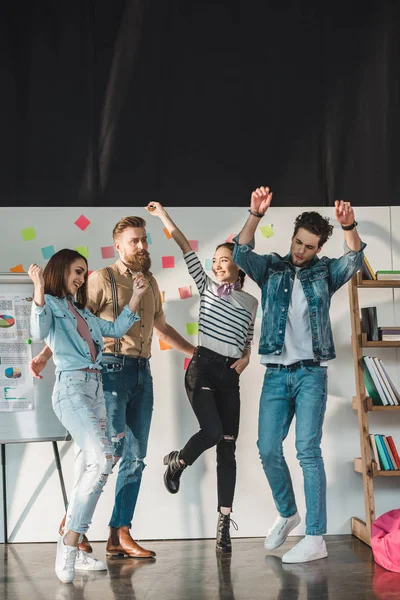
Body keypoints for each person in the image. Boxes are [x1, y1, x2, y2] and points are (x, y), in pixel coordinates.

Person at [30, 216, 195, 560]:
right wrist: (46, 354)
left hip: (141, 372)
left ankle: (120, 533)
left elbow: (161, 327)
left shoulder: (149, 282)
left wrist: (193, 352)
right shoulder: (100, 278)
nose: (142, 246)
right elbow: (76, 321)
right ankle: (72, 523)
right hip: (109, 370)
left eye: (145, 240)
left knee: (136, 458)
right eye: (134, 241)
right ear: (118, 245)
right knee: (106, 454)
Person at [232, 187, 365, 564]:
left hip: (310, 375)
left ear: (319, 248)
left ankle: (316, 537)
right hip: (276, 374)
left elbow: (354, 258)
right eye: (297, 242)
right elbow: (241, 252)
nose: (300, 251)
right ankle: (288, 512)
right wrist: (255, 214)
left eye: (308, 246)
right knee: (267, 448)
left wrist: (348, 225)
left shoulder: (326, 272)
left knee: (307, 452)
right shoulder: (272, 267)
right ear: (291, 237)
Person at [28, 249, 147, 583]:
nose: (81, 278)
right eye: (77, 271)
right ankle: (70, 541)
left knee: (91, 468)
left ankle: (74, 545)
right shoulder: (49, 304)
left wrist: (136, 296)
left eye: (84, 273)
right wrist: (38, 287)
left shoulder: (80, 310)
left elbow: (118, 327)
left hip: (95, 390)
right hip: (71, 389)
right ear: (61, 269)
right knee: (102, 461)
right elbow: (38, 331)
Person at [146, 202, 258, 552]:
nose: (217, 265)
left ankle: (224, 521)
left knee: (228, 449)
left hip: (229, 375)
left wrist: (247, 356)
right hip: (202, 367)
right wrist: (163, 216)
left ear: (239, 263)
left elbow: (247, 338)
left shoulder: (252, 302)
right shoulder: (207, 286)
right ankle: (178, 463)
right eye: (215, 261)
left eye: (224, 259)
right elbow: (183, 245)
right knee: (211, 432)